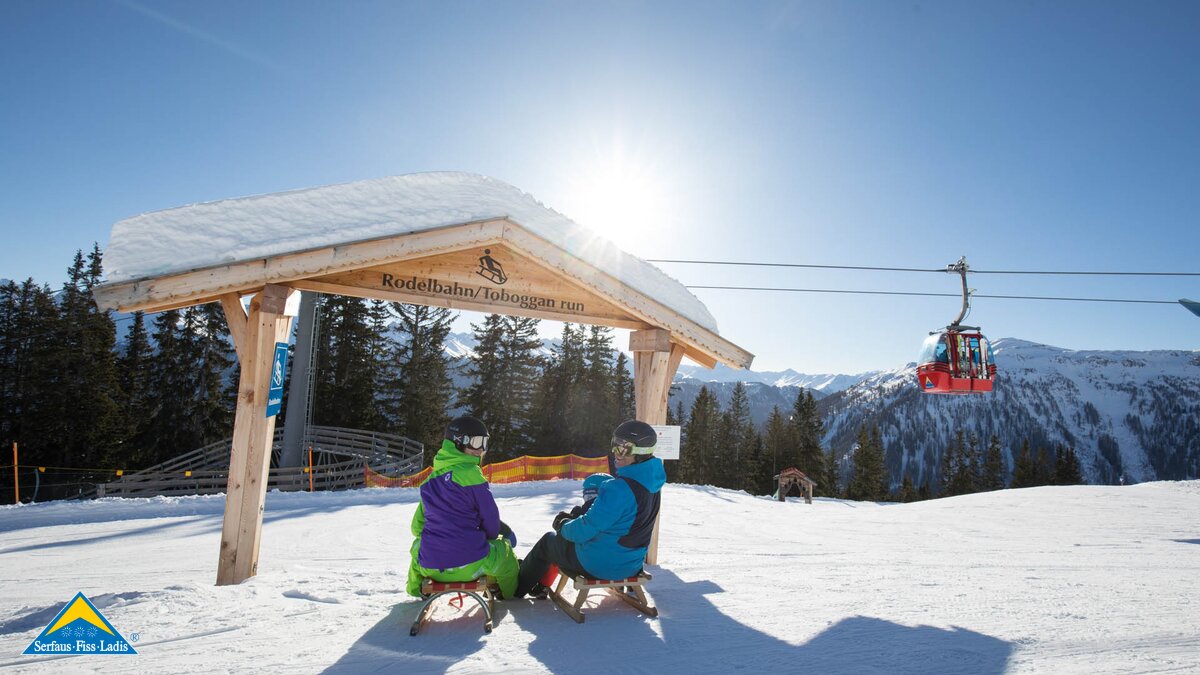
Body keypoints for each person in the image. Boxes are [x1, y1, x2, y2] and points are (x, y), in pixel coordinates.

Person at [514, 420, 665, 597]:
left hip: (599, 565)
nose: (616, 453)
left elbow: (583, 531)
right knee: (564, 537)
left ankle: (516, 590)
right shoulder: (652, 485)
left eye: (624, 448)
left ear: (641, 453)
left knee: (549, 541)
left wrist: (563, 525)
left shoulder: (618, 489)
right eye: (614, 445)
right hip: (631, 565)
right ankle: (538, 583)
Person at [406, 415, 519, 599]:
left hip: (431, 567)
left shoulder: (428, 483)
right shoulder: (471, 474)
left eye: (484, 443)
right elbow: (490, 519)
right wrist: (489, 537)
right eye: (476, 443)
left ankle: (416, 589)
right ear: (459, 443)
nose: (481, 450)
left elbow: (416, 528)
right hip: (471, 563)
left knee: (418, 547)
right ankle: (509, 596)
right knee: (505, 553)